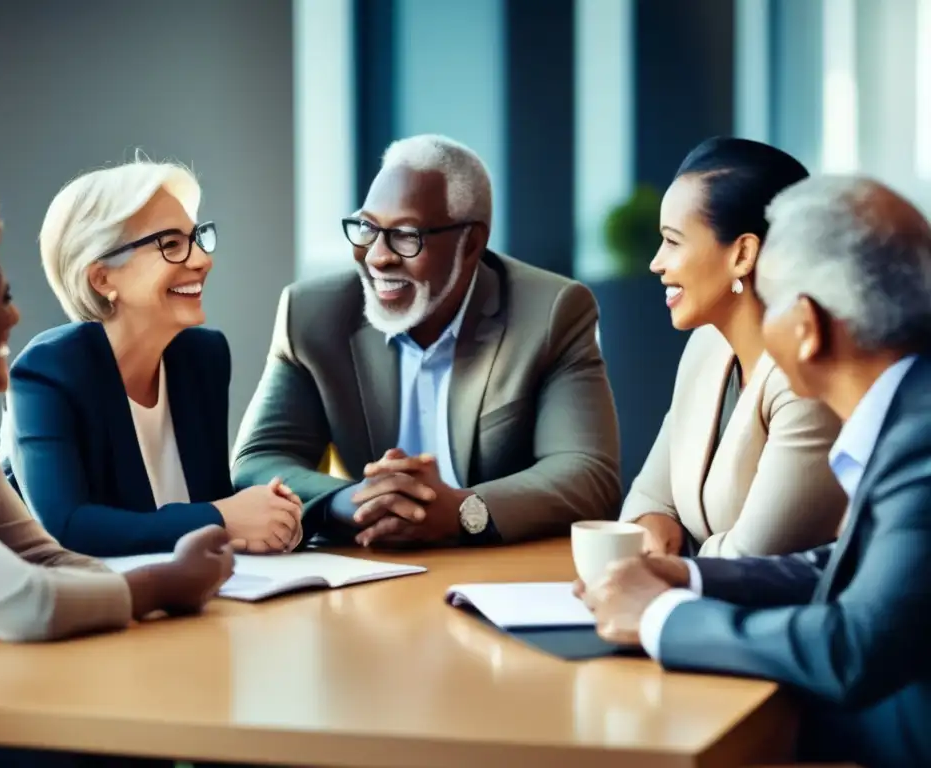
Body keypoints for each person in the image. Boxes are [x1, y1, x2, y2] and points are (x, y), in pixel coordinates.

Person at [579, 176, 931, 768]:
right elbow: (851, 566)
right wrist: (690, 579)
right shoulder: (908, 413)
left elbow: (852, 649)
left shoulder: (920, 443)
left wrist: (660, 616)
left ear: (805, 326)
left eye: (767, 303)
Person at [0, 180, 234, 766]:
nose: (15, 316)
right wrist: (159, 585)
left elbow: (47, 556)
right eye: (2, 299)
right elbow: (29, 600)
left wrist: (174, 591)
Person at [232, 134, 621, 549]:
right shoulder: (312, 314)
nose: (378, 256)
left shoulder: (551, 312)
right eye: (366, 228)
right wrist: (350, 500)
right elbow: (257, 461)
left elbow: (588, 473)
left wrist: (461, 511)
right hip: (369, 572)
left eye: (405, 234)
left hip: (497, 571)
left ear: (470, 243)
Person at [0, 158, 302, 558]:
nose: (201, 260)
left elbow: (209, 504)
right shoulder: (48, 370)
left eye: (196, 239)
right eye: (171, 244)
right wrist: (222, 516)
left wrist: (274, 517)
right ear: (103, 278)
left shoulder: (203, 358)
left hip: (183, 599)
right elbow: (68, 528)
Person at [619, 137, 845, 557]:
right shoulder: (706, 346)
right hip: (690, 603)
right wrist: (653, 530)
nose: (656, 262)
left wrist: (670, 560)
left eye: (672, 241)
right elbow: (648, 500)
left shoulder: (805, 379)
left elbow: (753, 558)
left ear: (742, 254)